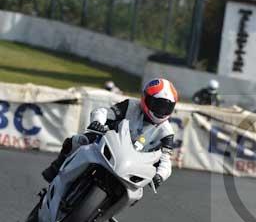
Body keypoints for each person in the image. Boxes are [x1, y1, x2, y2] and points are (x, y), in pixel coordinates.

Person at [42, 78, 178, 189]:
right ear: (145, 98)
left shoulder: (167, 133)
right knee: (79, 140)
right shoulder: (131, 105)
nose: (161, 110)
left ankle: (102, 215)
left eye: (167, 107)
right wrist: (98, 122)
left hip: (134, 164)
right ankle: (56, 168)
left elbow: (166, 161)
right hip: (110, 144)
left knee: (138, 191)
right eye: (158, 105)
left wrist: (160, 175)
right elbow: (104, 112)